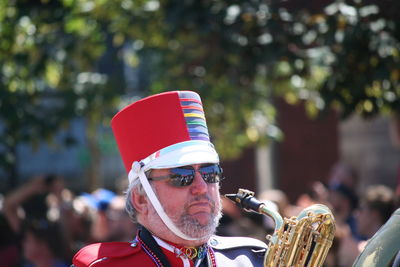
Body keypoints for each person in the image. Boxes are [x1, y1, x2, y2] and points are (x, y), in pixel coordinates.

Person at [72, 91, 267, 267]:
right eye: (182, 176)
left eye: (210, 173)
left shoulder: (252, 258)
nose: (201, 187)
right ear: (141, 199)